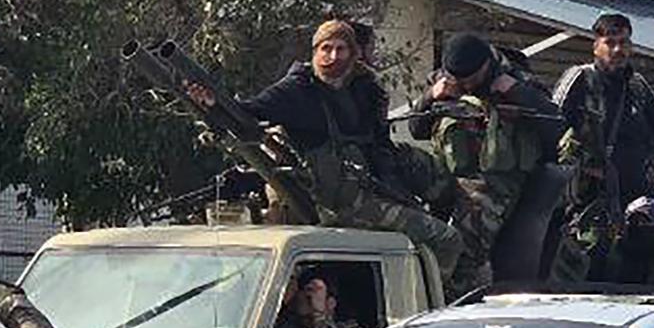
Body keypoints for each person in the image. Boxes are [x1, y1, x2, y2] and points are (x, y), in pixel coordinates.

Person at [187, 19, 461, 280]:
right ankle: (432, 301)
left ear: (353, 54)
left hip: (373, 186)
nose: (332, 56)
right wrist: (210, 103)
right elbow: (247, 113)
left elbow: (379, 146)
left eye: (341, 49)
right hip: (341, 202)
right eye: (325, 49)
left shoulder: (364, 89)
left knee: (446, 194)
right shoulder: (297, 90)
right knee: (446, 239)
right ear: (315, 52)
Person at [407, 31, 565, 295]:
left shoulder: (519, 81)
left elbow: (556, 127)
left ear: (486, 67)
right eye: (459, 80)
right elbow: (416, 129)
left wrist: (517, 94)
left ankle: (453, 295)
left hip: (496, 181)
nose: (466, 86)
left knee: (466, 242)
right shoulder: (445, 81)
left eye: (471, 79)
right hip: (447, 173)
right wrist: (431, 96)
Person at [552, 12, 654, 281]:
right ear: (596, 45)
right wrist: (580, 168)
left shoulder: (637, 86)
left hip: (634, 202)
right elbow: (552, 124)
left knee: (647, 267)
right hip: (590, 201)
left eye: (624, 42)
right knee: (591, 267)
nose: (618, 49)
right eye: (611, 42)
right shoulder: (580, 79)